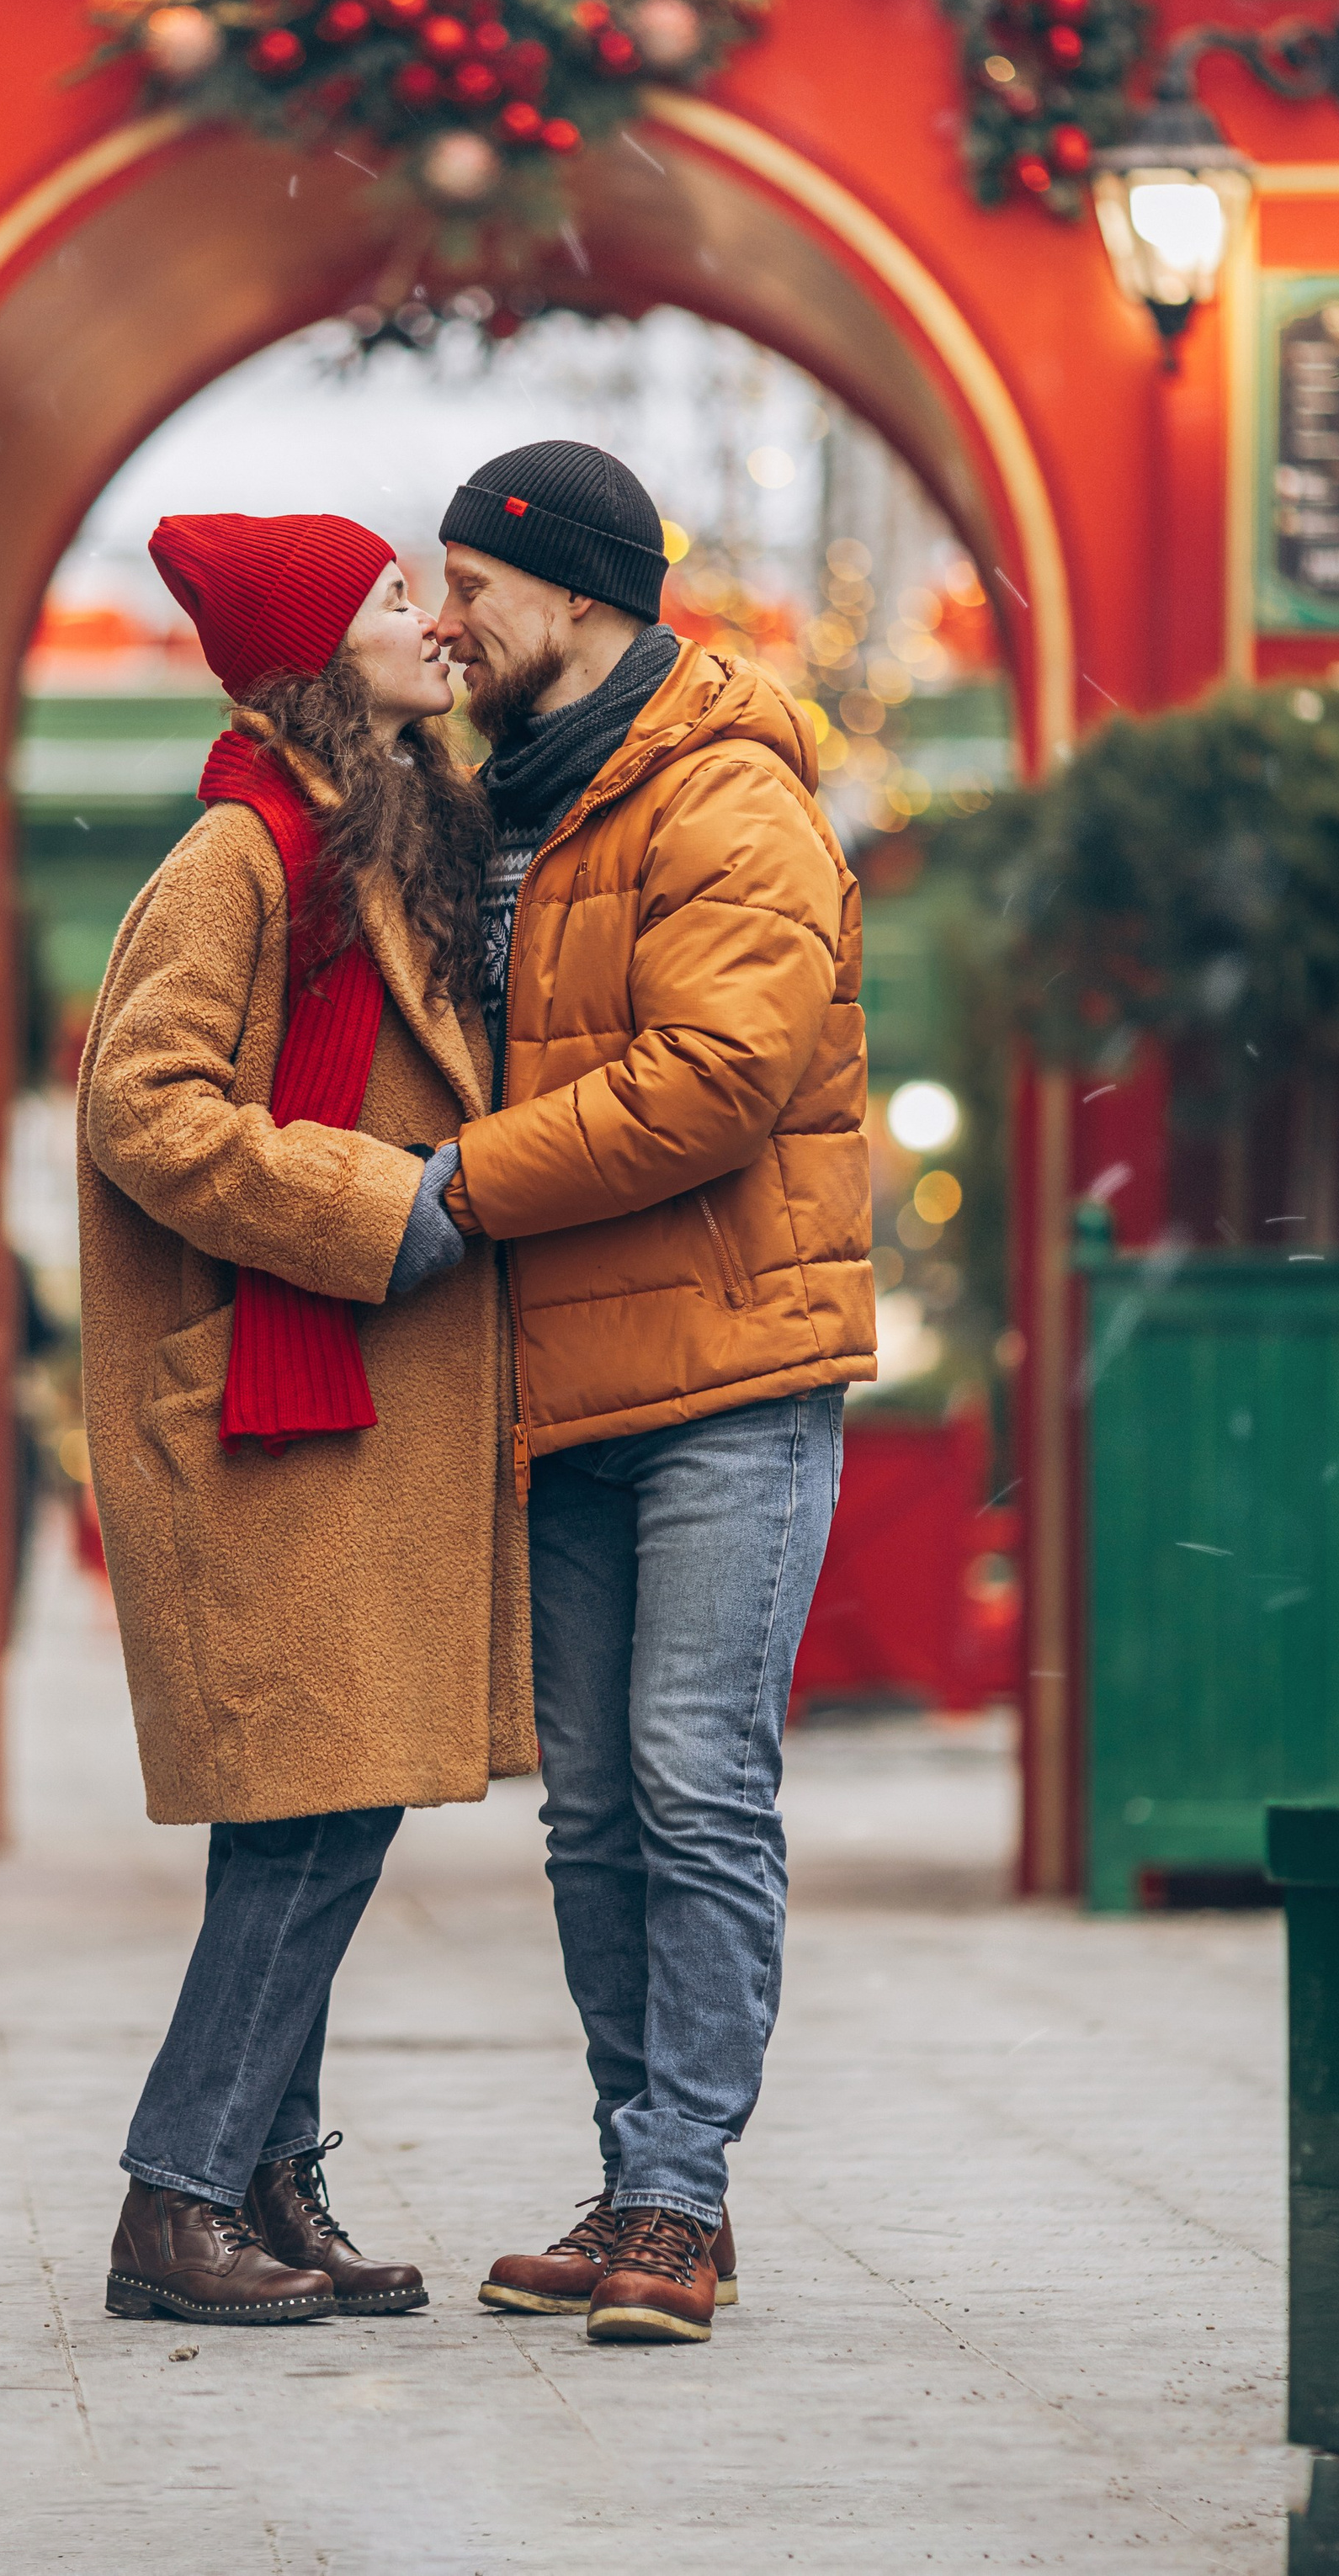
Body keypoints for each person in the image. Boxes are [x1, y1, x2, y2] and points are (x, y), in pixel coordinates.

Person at [416, 438, 873, 2345]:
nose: (447, 621)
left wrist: (455, 1191)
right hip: (564, 1375)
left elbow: (710, 1084)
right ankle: (640, 2183)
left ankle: (679, 2192)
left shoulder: (726, 790)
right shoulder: (494, 802)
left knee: (694, 1783)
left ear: (580, 593)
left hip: (731, 1374)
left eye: (472, 587)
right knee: (593, 1811)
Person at [75, 511, 532, 2329]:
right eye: (392, 599)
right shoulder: (242, 849)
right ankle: (175, 2196)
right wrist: (380, 1205)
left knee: (318, 1803)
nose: (431, 622)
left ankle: (268, 2179)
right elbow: (146, 1107)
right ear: (318, 650)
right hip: (277, 1397)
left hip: (340, 1406)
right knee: (312, 1816)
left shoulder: (370, 832)